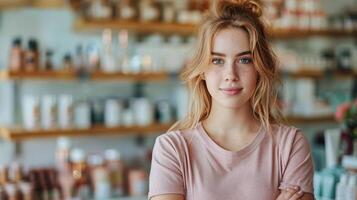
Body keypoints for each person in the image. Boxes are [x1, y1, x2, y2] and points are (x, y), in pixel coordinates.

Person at [148, 0, 314, 199]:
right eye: (217, 60)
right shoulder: (172, 149)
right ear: (202, 70)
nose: (230, 74)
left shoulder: (291, 146)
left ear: (259, 69)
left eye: (244, 60)